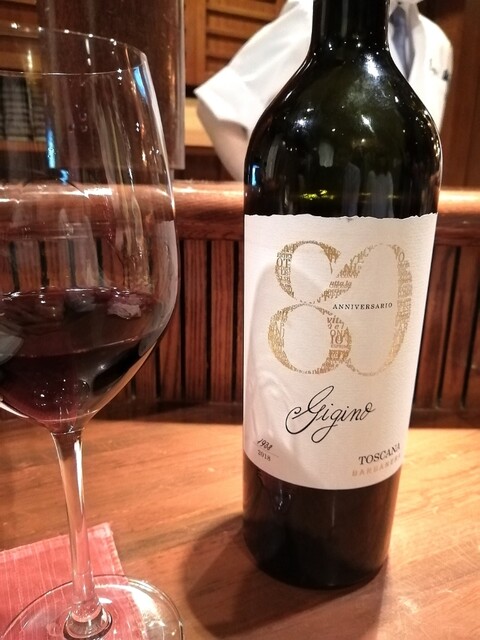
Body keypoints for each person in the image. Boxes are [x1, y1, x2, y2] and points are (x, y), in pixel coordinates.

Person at [195, 0, 453, 181]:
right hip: (309, 204)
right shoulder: (314, 15)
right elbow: (217, 102)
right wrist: (265, 188)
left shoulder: (438, 41)